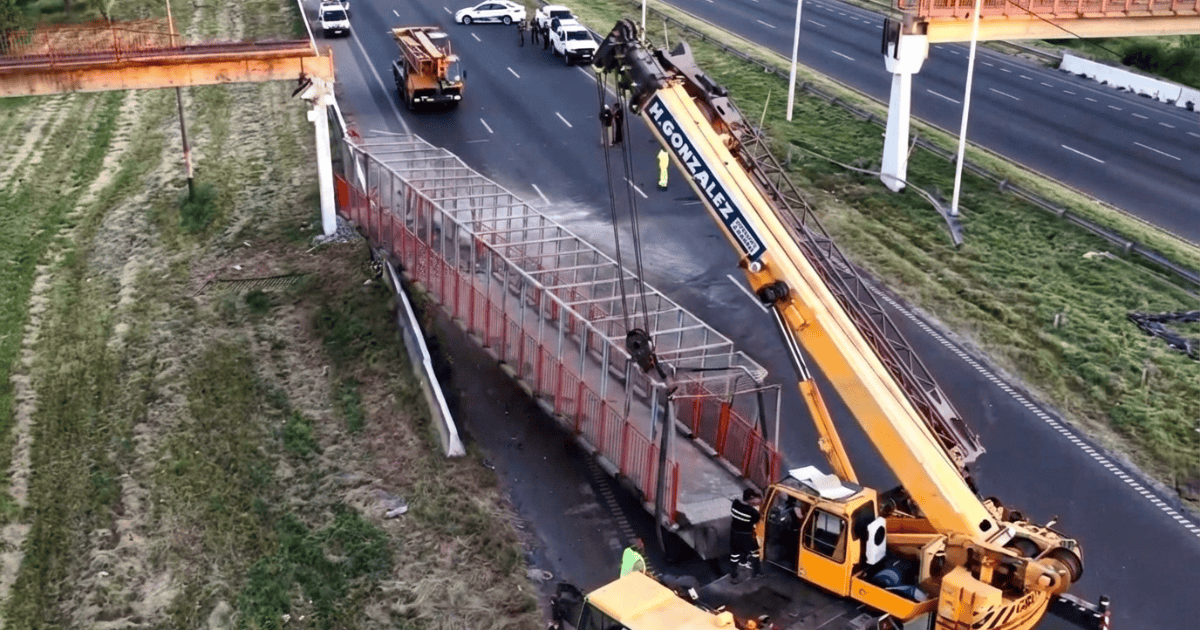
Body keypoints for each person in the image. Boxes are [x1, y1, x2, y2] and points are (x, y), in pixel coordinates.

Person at [729, 488, 762, 584]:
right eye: (754, 499)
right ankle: (756, 573)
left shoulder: (735, 503)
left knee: (734, 554)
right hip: (746, 535)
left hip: (734, 533)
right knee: (755, 551)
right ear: (750, 499)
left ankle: (734, 575)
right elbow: (757, 520)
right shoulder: (752, 511)